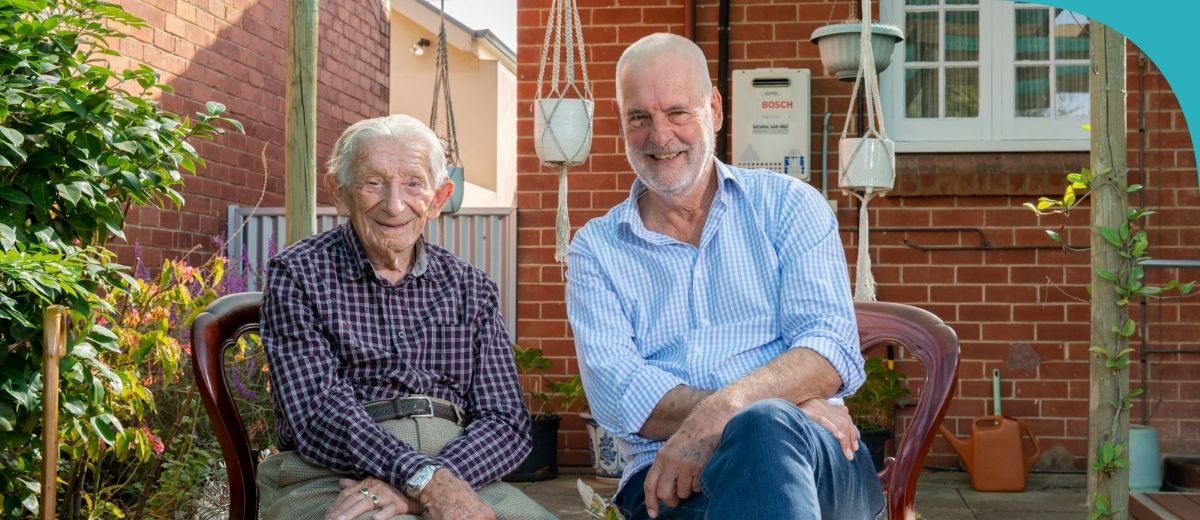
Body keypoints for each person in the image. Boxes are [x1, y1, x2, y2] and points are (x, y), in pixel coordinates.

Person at [565, 33, 886, 520]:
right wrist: (772, 404)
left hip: (812, 458)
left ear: (713, 110)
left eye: (677, 112)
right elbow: (620, 395)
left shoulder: (789, 206)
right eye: (640, 117)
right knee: (762, 422)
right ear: (621, 123)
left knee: (766, 427)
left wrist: (725, 413)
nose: (659, 135)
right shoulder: (597, 250)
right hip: (673, 478)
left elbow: (829, 350)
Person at [258, 114, 555, 520]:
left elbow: (505, 420)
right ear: (340, 191)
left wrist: (432, 485)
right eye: (372, 182)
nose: (395, 204)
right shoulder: (298, 274)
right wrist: (422, 480)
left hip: (461, 469)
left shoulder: (471, 288)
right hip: (334, 474)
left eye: (414, 183)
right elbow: (318, 412)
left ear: (438, 197)